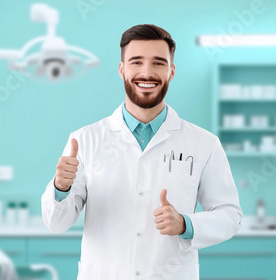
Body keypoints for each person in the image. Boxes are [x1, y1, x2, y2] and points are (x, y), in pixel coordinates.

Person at [41, 24, 242, 280]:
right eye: (136, 62)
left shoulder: (204, 143)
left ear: (172, 72)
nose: (147, 73)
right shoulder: (84, 140)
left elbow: (230, 215)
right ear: (122, 69)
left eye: (158, 63)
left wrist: (186, 224)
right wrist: (61, 187)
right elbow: (57, 223)